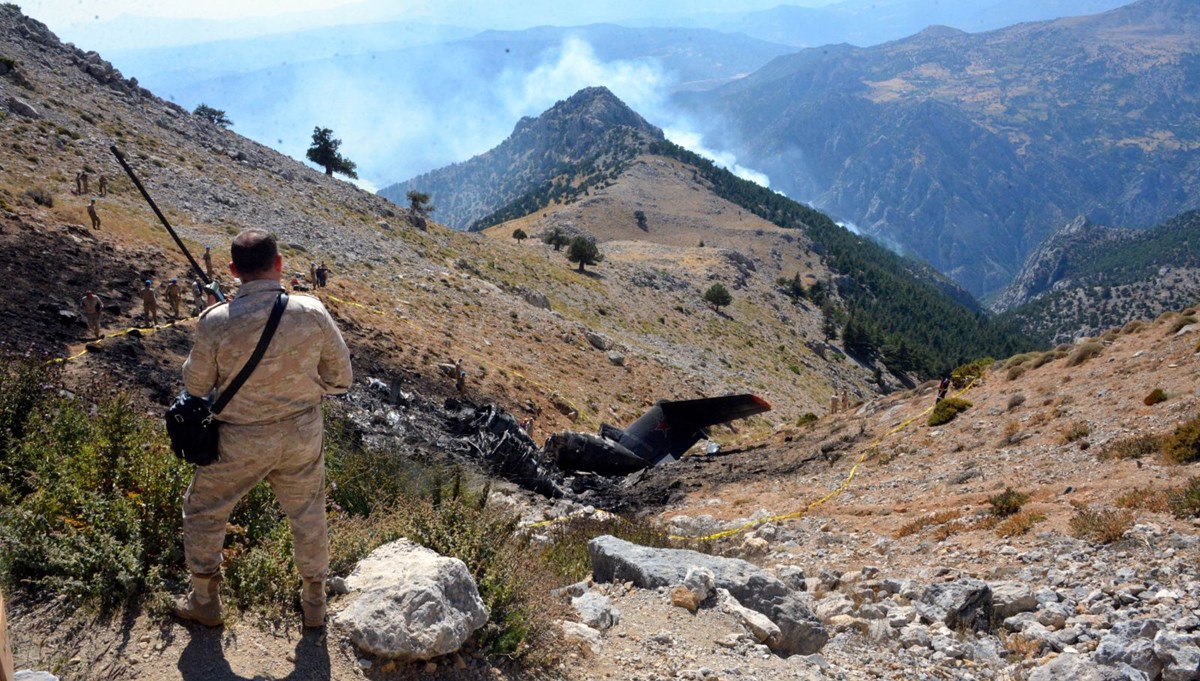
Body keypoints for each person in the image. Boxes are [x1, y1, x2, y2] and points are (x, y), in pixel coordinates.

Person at [175, 229, 352, 629]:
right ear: (280, 264)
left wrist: (215, 318)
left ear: (234, 270)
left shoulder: (215, 322)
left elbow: (195, 387)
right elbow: (342, 379)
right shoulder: (312, 312)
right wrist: (303, 393)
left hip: (239, 438)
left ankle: (205, 601)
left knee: (204, 510)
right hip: (302, 433)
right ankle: (314, 605)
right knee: (309, 514)